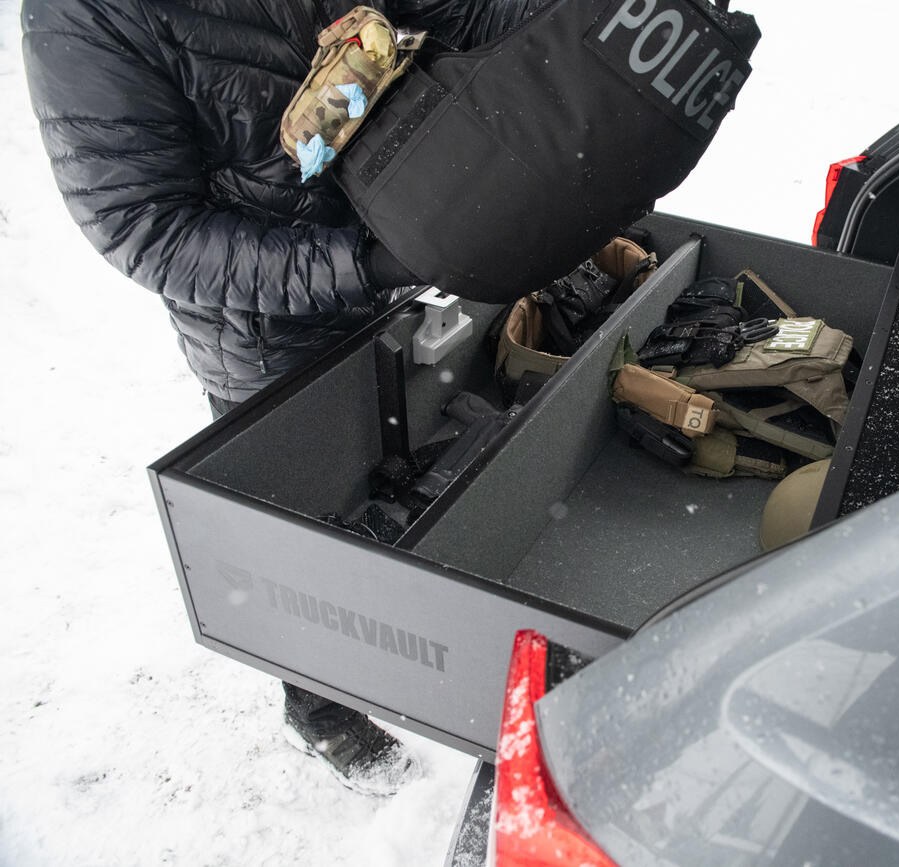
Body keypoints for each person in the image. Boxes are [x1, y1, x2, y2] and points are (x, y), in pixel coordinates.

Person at [22, 0, 543, 794]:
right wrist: (357, 265)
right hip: (266, 336)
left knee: (427, 476)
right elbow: (145, 226)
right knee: (303, 547)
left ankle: (453, 668)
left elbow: (454, 12)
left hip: (397, 258)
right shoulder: (87, 16)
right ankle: (321, 708)